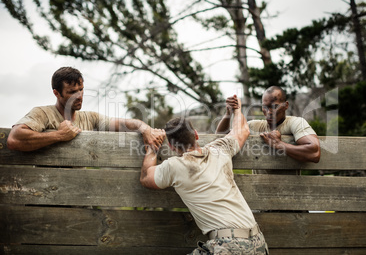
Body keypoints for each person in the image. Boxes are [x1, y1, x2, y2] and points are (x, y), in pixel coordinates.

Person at [140, 95, 269, 254]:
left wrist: (153, 146)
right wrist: (237, 109)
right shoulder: (220, 149)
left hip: (228, 247)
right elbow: (243, 130)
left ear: (172, 147)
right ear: (196, 134)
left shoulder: (175, 166)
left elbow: (146, 177)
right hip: (259, 243)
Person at [7, 66, 165, 152]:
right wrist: (59, 135)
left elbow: (123, 123)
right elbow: (14, 139)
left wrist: (144, 128)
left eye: (81, 90)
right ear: (56, 93)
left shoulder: (90, 118)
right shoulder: (43, 113)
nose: (79, 96)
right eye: (72, 92)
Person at [216, 86, 320, 167]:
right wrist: (228, 113)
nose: (269, 112)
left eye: (274, 107)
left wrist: (279, 144)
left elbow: (315, 153)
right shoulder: (254, 126)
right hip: (257, 189)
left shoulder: (296, 123)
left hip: (289, 188)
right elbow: (221, 137)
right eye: (265, 107)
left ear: (286, 105)